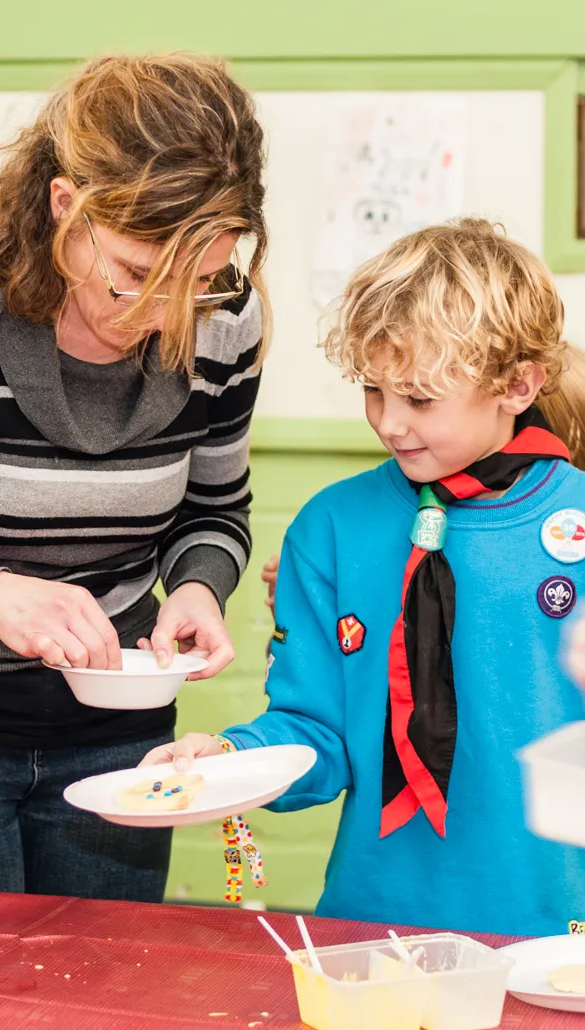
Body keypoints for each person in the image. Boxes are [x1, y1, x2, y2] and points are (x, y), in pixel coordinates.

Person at [143, 218, 585, 936]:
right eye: (374, 390)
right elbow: (313, 728)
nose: (389, 422)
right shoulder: (330, 529)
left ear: (518, 386)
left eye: (419, 399)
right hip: (377, 925)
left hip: (557, 932)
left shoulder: (577, 523)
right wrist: (230, 760)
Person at [0, 53, 269, 901]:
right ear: (67, 205)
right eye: (138, 273)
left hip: (118, 733)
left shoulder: (225, 323)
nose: (168, 315)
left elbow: (214, 508)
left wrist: (200, 586)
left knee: (101, 981)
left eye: (201, 280)